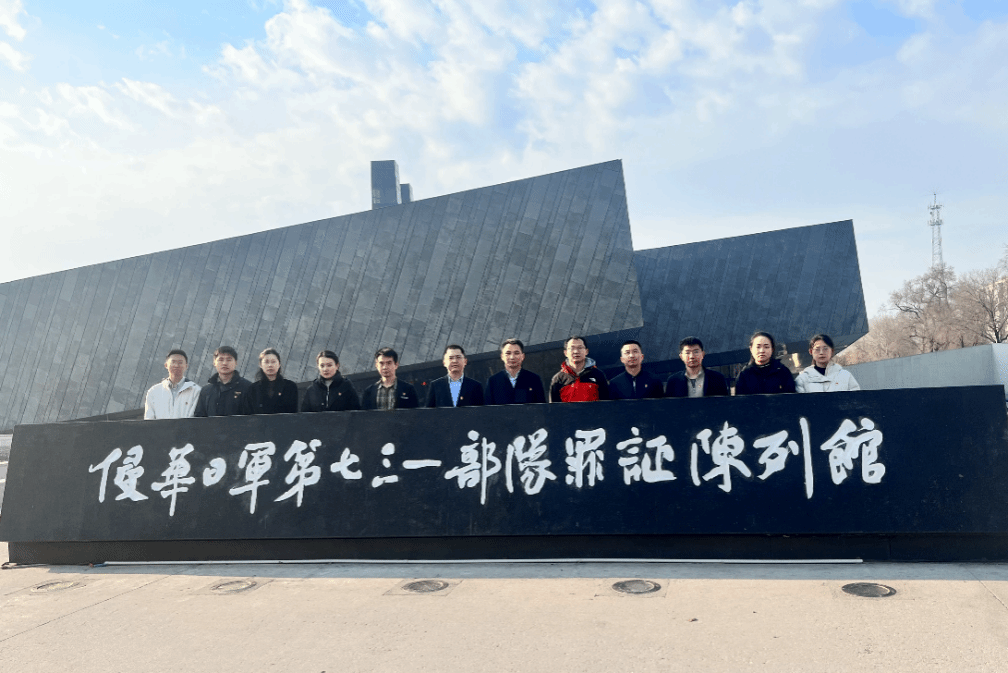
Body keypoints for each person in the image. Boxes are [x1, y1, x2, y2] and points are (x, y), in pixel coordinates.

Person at [484, 338, 547, 405]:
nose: (512, 357)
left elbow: (542, 407)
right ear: (502, 356)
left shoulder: (534, 379)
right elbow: (488, 408)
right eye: (508, 353)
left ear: (523, 356)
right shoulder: (493, 381)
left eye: (516, 353)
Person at [193, 346, 252, 417]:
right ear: (214, 363)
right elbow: (199, 418)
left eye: (229, 360)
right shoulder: (206, 391)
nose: (224, 363)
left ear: (236, 363)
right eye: (221, 359)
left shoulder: (248, 387)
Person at [144, 349, 201, 419]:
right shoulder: (154, 391)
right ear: (166, 365)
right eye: (173, 362)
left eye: (180, 362)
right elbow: (149, 419)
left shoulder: (195, 391)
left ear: (186, 366)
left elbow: (195, 419)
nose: (176, 365)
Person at [665, 337, 730, 398]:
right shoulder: (673, 381)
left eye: (696, 352)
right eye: (687, 353)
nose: (692, 356)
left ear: (703, 354)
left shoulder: (717, 378)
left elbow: (724, 403)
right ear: (681, 356)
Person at [549, 336, 609, 402]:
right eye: (572, 348)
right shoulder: (558, 379)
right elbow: (553, 406)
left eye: (580, 348)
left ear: (586, 351)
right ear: (565, 353)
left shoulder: (598, 374)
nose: (576, 351)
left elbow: (606, 402)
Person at [795, 334, 861, 393]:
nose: (821, 352)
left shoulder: (845, 376)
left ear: (832, 351)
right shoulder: (802, 380)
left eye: (825, 349)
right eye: (817, 349)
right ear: (811, 351)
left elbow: (856, 398)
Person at [243, 348, 299, 414]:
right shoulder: (253, 389)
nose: (270, 365)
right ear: (260, 365)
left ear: (279, 364)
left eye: (273, 362)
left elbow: (293, 414)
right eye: (266, 362)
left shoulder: (290, 387)